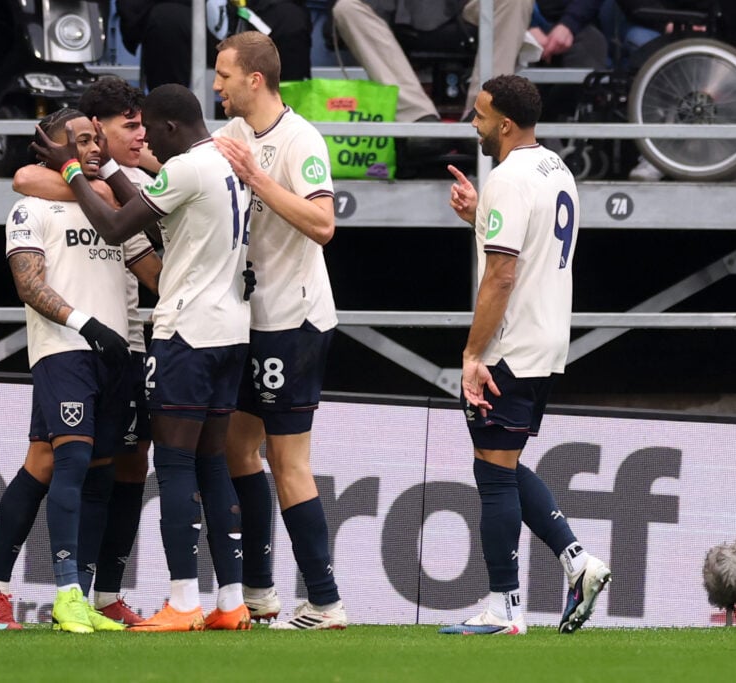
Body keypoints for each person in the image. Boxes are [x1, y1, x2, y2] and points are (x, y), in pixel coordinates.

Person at [33, 83, 254, 632]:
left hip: (188, 332)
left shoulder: (184, 169)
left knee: (175, 464)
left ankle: (183, 602)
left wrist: (71, 172)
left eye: (149, 130)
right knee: (213, 462)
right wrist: (107, 169)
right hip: (232, 328)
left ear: (171, 127)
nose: (147, 144)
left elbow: (115, 225)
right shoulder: (227, 161)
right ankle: (231, 602)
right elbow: (158, 220)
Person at [440, 74, 611, 635]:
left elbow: (502, 274)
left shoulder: (510, 177)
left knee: (491, 472)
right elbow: (531, 241)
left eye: (480, 114)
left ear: (505, 124)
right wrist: (479, 217)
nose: (473, 121)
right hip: (547, 340)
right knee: (503, 463)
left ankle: (505, 608)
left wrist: (472, 352)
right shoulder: (555, 167)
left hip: (510, 345)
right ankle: (577, 562)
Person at [0, 76, 163, 627]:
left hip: (123, 351)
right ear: (59, 148)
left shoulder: (115, 194)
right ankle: (61, 594)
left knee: (100, 468)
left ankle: (85, 596)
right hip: (67, 347)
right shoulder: (34, 205)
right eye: (81, 140)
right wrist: (88, 325)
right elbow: (29, 283)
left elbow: (150, 270)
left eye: (94, 140)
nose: (92, 148)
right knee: (67, 460)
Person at [210, 30, 347, 630]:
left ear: (255, 79)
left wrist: (259, 181)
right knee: (239, 447)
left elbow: (323, 223)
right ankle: (260, 592)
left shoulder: (300, 139)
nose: (216, 85)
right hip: (250, 318)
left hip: (294, 320)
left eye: (224, 75)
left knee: (289, 461)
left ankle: (324, 600)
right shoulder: (231, 135)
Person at [331, 0, 536, 124]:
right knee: (347, 8)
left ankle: (485, 110)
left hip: (466, 10)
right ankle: (416, 116)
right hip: (399, 9)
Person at [118, 0, 312, 90]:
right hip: (187, 13)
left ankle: (281, 124)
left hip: (251, 10)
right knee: (166, 21)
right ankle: (170, 120)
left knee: (290, 20)